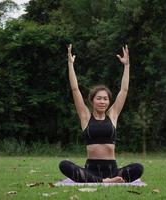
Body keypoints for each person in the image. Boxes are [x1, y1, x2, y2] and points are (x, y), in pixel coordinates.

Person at [59, 44, 144, 183]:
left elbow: (124, 90)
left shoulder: (113, 115)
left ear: (109, 101)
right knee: (64, 165)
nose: (102, 101)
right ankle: (104, 181)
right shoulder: (85, 116)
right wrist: (70, 64)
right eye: (99, 98)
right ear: (92, 101)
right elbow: (75, 89)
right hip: (90, 169)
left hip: (113, 170)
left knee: (138, 168)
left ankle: (100, 180)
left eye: (105, 99)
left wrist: (127, 66)